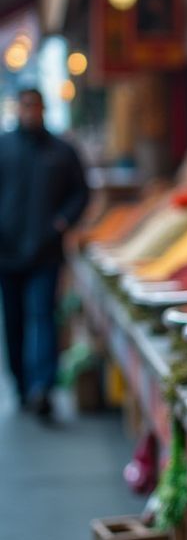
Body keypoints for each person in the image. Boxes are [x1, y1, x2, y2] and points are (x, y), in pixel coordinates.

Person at [0, 89, 89, 419]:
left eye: (35, 106)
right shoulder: (4, 146)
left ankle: (43, 387)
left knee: (42, 317)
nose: (30, 112)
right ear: (17, 109)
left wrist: (63, 221)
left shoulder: (62, 151)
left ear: (43, 109)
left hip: (46, 254)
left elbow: (81, 192)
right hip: (6, 254)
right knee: (14, 322)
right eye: (25, 106)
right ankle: (21, 385)